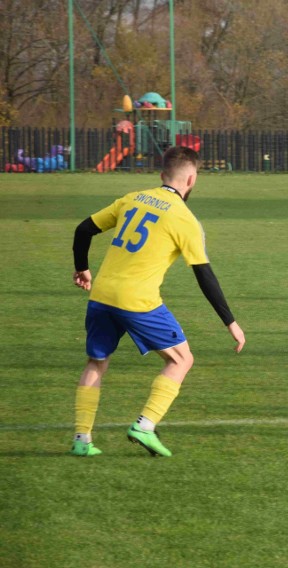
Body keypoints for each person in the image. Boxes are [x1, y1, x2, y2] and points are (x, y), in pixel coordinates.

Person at [70, 146, 246, 457]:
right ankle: (145, 425)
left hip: (101, 295)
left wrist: (82, 267)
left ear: (162, 175)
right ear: (191, 179)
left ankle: (82, 440)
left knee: (97, 362)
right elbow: (204, 275)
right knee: (181, 360)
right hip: (137, 301)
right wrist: (230, 321)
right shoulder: (185, 219)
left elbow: (83, 230)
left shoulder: (132, 198)